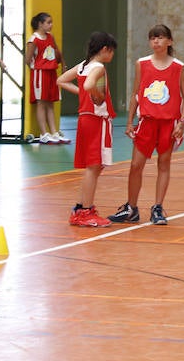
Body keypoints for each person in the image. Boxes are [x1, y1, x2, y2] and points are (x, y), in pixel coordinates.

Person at [108, 25, 184, 225]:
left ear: (169, 41)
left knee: (164, 164)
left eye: (161, 38)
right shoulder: (142, 64)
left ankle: (158, 207)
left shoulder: (177, 66)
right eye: (153, 38)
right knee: (136, 165)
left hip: (168, 123)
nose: (156, 41)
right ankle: (131, 208)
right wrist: (129, 122)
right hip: (146, 122)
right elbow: (136, 94)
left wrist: (182, 122)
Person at [57, 32, 117, 227]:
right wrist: (95, 93)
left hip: (84, 119)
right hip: (96, 119)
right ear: (105, 49)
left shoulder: (83, 65)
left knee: (94, 167)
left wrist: (83, 91)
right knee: (94, 166)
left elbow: (62, 80)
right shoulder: (98, 67)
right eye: (112, 51)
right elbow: (91, 84)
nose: (112, 56)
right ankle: (86, 212)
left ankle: (80, 208)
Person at [25, 12, 68, 144]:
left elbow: (57, 51)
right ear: (40, 24)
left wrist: (63, 64)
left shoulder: (50, 36)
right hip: (40, 73)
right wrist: (38, 67)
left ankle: (54, 132)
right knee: (42, 102)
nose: (51, 25)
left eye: (51, 22)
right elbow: (28, 59)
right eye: (48, 22)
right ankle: (44, 133)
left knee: (50, 103)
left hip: (51, 73)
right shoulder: (34, 40)